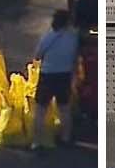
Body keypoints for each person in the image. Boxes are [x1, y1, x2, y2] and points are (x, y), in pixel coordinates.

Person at [31, 9, 80, 150]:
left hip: (47, 75)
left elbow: (37, 56)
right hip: (64, 75)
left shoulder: (48, 37)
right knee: (64, 108)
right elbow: (75, 57)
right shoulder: (73, 38)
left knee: (40, 110)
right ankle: (66, 137)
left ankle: (37, 141)